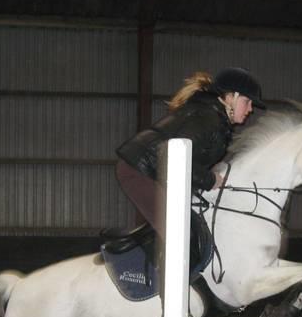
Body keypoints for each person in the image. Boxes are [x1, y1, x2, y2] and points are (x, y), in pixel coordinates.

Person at [114, 67, 266, 239]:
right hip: (139, 170)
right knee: (179, 236)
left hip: (154, 170)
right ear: (231, 97)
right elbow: (173, 157)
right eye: (247, 101)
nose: (251, 109)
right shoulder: (208, 118)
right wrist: (209, 180)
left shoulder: (215, 119)